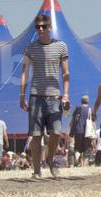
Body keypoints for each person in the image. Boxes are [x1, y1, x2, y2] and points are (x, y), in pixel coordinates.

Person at [20, 13, 70, 178]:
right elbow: (24, 73)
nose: (40, 29)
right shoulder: (30, 48)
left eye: (43, 26)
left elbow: (66, 73)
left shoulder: (61, 46)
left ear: (49, 27)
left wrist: (66, 94)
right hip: (35, 96)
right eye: (37, 27)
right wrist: (22, 95)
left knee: (56, 132)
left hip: (54, 96)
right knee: (36, 134)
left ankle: (50, 158)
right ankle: (36, 170)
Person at [68, 95, 92, 167]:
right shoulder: (90, 110)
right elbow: (92, 122)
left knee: (78, 148)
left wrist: (71, 129)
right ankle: (84, 165)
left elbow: (73, 120)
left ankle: (76, 159)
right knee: (87, 148)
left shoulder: (78, 109)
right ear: (88, 101)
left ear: (81, 101)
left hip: (78, 130)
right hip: (87, 132)